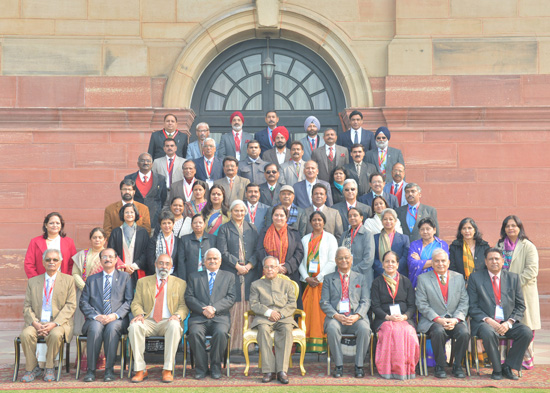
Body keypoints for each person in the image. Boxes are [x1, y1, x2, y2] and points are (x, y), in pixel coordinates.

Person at [467, 248, 533, 380]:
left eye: (497, 259)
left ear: (503, 261)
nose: (494, 261)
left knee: (526, 332)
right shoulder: (475, 278)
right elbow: (472, 307)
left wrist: (509, 323)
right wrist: (489, 321)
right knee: (488, 332)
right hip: (484, 323)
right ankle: (497, 369)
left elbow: (520, 306)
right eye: (490, 259)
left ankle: (508, 367)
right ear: (485, 262)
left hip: (507, 322)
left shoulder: (513, 278)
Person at [128, 254, 188, 383]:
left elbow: (183, 306)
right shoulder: (143, 282)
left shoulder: (180, 283)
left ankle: (167, 369)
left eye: (167, 264)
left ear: (171, 266)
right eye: (161, 263)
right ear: (155, 265)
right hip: (148, 320)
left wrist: (177, 316)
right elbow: (136, 302)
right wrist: (139, 314)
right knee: (134, 327)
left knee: (174, 325)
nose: (163, 266)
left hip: (168, 321)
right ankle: (140, 369)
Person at [20, 249, 76, 383]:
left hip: (58, 323)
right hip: (37, 322)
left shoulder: (69, 280)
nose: (52, 262)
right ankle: (32, 368)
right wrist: (35, 323)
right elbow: (27, 306)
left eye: (55, 260)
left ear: (60, 262)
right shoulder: (33, 282)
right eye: (48, 260)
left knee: (56, 334)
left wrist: (54, 323)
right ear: (43, 263)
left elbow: (70, 305)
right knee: (26, 334)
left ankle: (50, 367)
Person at [79, 248, 134, 382]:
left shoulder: (125, 277)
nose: (107, 259)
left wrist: (115, 315)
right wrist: (96, 316)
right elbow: (83, 302)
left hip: (117, 318)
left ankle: (109, 370)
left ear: (116, 260)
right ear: (100, 260)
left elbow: (129, 301)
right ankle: (91, 371)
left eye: (110, 257)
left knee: (112, 328)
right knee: (95, 328)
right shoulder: (92, 279)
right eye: (104, 257)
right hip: (96, 318)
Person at [415, 249, 469, 379]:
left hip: (454, 319)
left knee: (464, 333)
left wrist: (455, 320)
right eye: (437, 261)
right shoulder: (423, 279)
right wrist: (438, 319)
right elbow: (422, 304)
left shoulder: (458, 277)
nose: (440, 264)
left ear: (448, 262)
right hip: (433, 321)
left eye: (443, 261)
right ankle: (440, 366)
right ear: (432, 264)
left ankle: (457, 365)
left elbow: (464, 302)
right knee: (438, 331)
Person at [496, 215, 540, 370]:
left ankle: (524, 360)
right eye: (507, 226)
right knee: (505, 325)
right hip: (504, 293)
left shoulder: (528, 246)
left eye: (514, 226)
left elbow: (531, 271)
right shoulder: (500, 245)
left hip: (523, 291)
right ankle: (504, 360)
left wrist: (513, 285)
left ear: (520, 228)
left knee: (525, 327)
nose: (510, 228)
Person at [320, 247, 372, 378]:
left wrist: (357, 316)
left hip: (356, 317)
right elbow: (324, 302)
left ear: (351, 259)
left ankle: (359, 366)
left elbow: (366, 301)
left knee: (365, 329)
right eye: (340, 258)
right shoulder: (328, 279)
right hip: (336, 318)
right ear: (336, 261)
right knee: (331, 328)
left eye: (346, 257)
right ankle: (339, 365)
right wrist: (336, 315)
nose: (344, 260)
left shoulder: (361, 278)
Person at [185, 248, 236, 379]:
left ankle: (215, 367)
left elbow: (231, 297)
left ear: (220, 261)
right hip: (198, 317)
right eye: (209, 259)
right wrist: (204, 309)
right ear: (204, 261)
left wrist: (214, 308)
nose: (212, 261)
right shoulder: (194, 276)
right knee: (195, 333)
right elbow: (189, 297)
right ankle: (201, 368)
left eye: (215, 259)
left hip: (220, 317)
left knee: (221, 333)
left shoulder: (229, 276)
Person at [217, 200, 260, 351]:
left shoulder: (252, 228)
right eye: (236, 211)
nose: (239, 214)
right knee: (233, 305)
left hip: (250, 272)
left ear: (245, 212)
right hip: (231, 272)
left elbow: (257, 251)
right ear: (231, 212)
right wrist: (237, 265)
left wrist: (248, 266)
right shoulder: (224, 229)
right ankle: (232, 344)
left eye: (242, 211)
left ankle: (249, 345)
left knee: (248, 303)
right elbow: (222, 252)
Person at [249, 256, 298, 384]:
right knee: (263, 330)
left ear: (278, 268)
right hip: (265, 317)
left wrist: (280, 314)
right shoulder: (256, 285)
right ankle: (268, 371)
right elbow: (253, 304)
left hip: (283, 318)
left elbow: (292, 304)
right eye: (267, 267)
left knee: (287, 330)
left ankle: (282, 371)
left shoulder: (287, 284)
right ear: (263, 269)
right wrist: (269, 312)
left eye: (273, 267)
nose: (270, 269)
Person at [371, 251, 418, 380]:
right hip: (384, 319)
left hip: (404, 319)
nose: (390, 264)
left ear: (397, 264)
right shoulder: (377, 282)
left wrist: (404, 316)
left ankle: (405, 369)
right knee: (390, 330)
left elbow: (412, 306)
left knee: (408, 332)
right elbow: (375, 306)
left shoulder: (405, 281)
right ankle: (387, 370)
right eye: (387, 261)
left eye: (393, 261)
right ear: (382, 264)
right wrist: (388, 317)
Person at [299, 211, 337, 353]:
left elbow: (333, 261)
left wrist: (319, 278)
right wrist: (307, 278)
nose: (317, 222)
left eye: (319, 220)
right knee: (308, 314)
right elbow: (300, 261)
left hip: (324, 283)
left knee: (321, 314)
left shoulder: (330, 238)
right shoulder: (304, 239)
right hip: (308, 283)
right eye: (314, 220)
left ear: (324, 222)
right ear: (310, 222)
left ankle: (323, 345)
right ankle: (307, 345)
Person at [71, 227, 109, 371]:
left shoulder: (110, 255)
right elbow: (75, 274)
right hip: (84, 296)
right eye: (94, 237)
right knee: (84, 327)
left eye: (100, 237)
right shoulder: (82, 256)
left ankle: (102, 361)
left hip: (105, 298)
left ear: (105, 239)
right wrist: (86, 288)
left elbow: (118, 273)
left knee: (103, 326)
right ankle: (84, 361)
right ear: (90, 239)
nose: (97, 240)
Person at [256, 205, 305, 294]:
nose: (279, 218)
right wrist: (273, 266)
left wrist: (286, 267)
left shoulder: (293, 233)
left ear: (286, 218)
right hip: (268, 274)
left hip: (289, 274)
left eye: (282, 215)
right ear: (272, 217)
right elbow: (259, 250)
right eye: (276, 215)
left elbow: (299, 252)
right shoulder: (264, 232)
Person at [24, 212, 77, 278]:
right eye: (51, 223)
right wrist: (36, 280)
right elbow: (29, 264)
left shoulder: (69, 242)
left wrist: (66, 279)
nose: (55, 225)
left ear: (61, 225)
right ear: (46, 225)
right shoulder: (35, 241)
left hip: (62, 281)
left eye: (57, 223)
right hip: (41, 281)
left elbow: (73, 264)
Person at [107, 203, 150, 285]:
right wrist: (124, 266)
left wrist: (134, 266)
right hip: (120, 271)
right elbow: (111, 251)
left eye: (132, 212)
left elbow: (146, 252)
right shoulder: (116, 232)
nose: (129, 214)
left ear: (135, 214)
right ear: (122, 214)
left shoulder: (143, 232)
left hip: (138, 270)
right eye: (126, 212)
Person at [124, 153, 167, 228]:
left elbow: (163, 197)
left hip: (154, 220)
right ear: (138, 163)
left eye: (148, 161)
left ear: (152, 164)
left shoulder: (160, 179)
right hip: (134, 220)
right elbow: (126, 198)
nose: (145, 163)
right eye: (142, 160)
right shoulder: (129, 178)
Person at [407, 217, 449, 288]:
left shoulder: (441, 244)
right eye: (422, 229)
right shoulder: (414, 245)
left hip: (436, 282)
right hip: (418, 282)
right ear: (419, 231)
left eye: (428, 229)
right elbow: (412, 264)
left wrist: (420, 261)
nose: (425, 231)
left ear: (434, 230)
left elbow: (443, 263)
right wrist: (433, 262)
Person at [339, 208, 375, 285]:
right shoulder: (344, 235)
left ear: (361, 218)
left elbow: (369, 259)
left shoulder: (367, 234)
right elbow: (339, 255)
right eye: (350, 216)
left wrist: (352, 271)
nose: (352, 218)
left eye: (355, 215)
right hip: (345, 276)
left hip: (363, 276)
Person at [373, 209, 410, 279]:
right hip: (380, 275)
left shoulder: (404, 238)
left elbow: (405, 257)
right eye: (385, 219)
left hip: (399, 275)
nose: (388, 221)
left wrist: (393, 270)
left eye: (391, 219)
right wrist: (384, 270)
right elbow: (373, 258)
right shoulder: (375, 238)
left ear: (395, 221)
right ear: (381, 221)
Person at [178, 214, 216, 280]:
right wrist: (183, 279)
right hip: (190, 276)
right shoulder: (184, 239)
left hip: (208, 275)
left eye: (200, 222)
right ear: (191, 225)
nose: (197, 225)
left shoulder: (212, 239)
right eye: (195, 223)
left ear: (204, 224)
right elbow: (181, 261)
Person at [146, 210, 182, 277]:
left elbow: (179, 261)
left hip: (173, 276)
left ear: (173, 224)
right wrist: (160, 273)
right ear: (160, 225)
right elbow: (150, 261)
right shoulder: (153, 240)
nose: (167, 226)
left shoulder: (178, 241)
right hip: (155, 275)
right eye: (164, 223)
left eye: (169, 223)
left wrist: (172, 275)